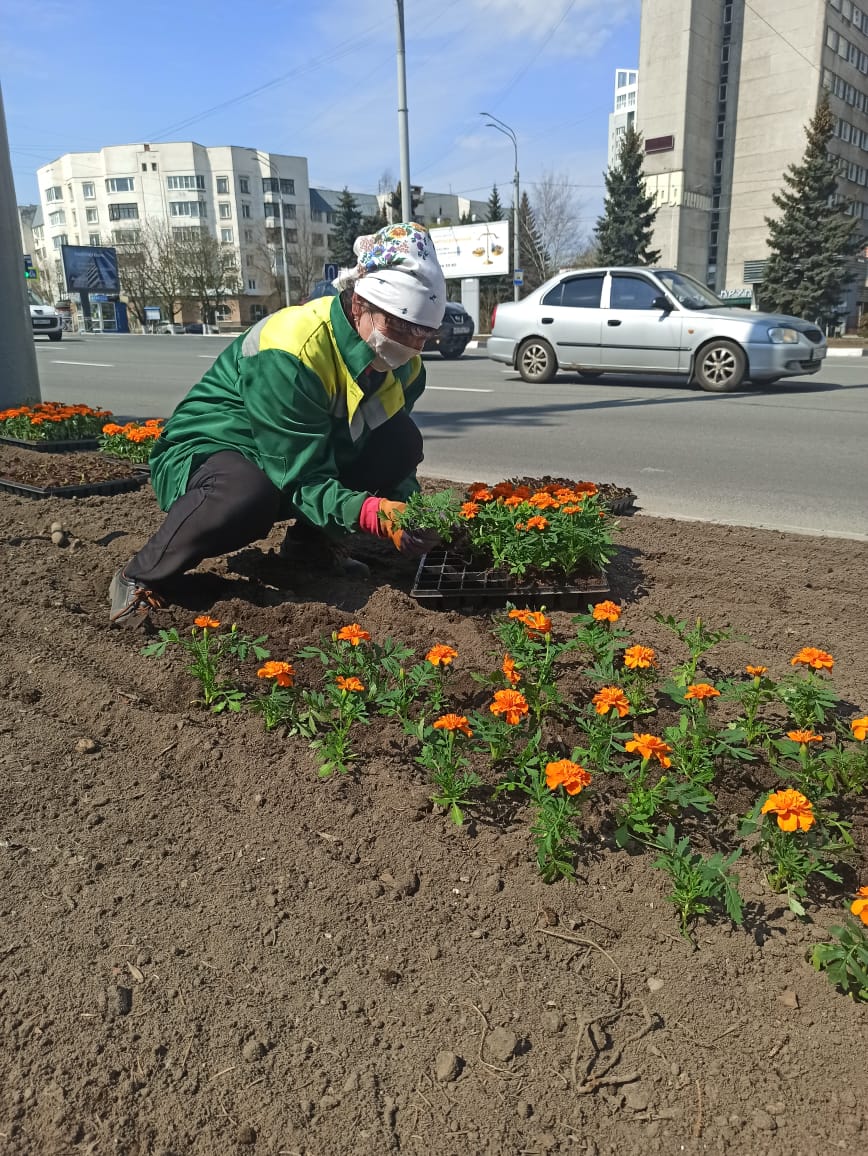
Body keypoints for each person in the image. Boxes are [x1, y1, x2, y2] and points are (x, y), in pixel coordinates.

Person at [108, 222, 446, 627]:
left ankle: (309, 546)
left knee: (400, 440)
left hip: (294, 450)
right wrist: (373, 513)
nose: (411, 345)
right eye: (399, 327)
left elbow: (390, 453)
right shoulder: (292, 348)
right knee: (249, 493)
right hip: (213, 449)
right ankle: (141, 575)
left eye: (424, 334)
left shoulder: (407, 368)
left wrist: (410, 508)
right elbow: (300, 477)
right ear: (359, 305)